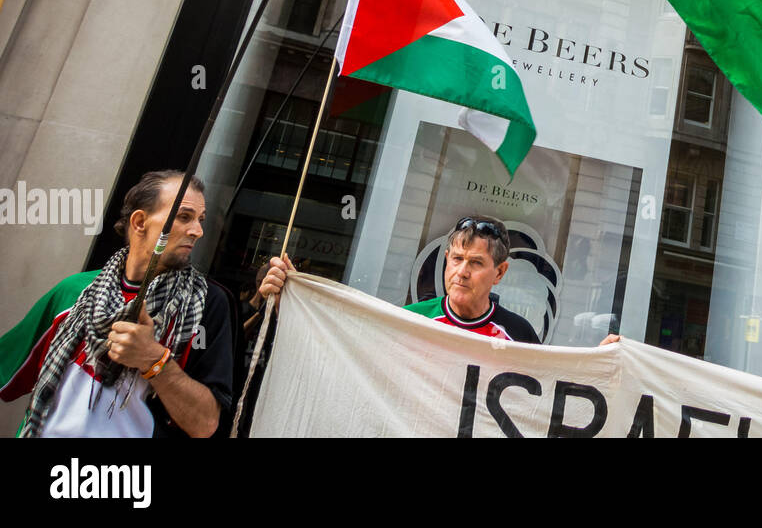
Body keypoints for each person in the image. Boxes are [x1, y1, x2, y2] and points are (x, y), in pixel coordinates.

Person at [0, 170, 233, 437]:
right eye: (184, 217)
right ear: (139, 222)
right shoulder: (74, 291)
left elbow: (205, 424)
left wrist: (154, 360)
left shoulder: (207, 305)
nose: (198, 231)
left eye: (200, 220)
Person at [261, 215, 621, 345]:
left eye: (476, 263)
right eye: (457, 259)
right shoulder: (412, 318)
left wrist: (597, 367)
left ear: (500, 273)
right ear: (446, 260)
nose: (462, 271)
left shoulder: (519, 333)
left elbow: (545, 395)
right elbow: (345, 343)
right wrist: (290, 302)